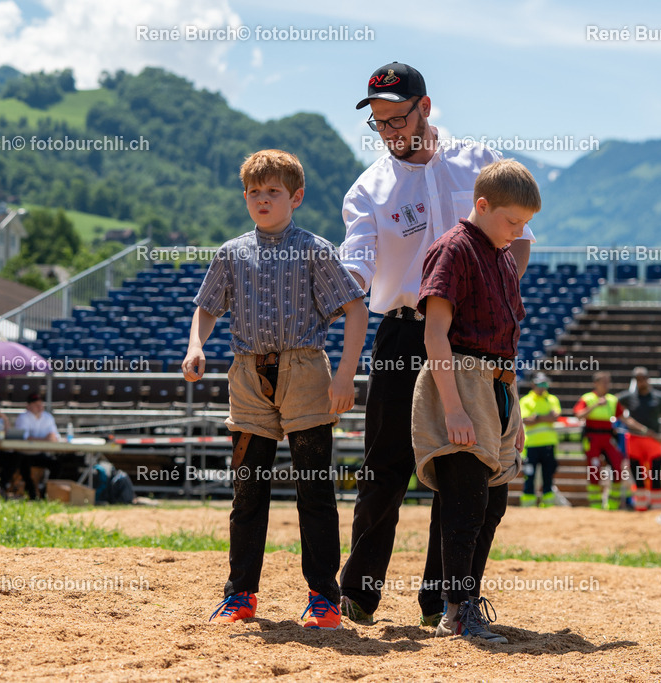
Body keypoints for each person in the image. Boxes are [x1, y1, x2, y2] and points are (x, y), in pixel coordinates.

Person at [338, 61, 537, 626]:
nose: (391, 133)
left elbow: (518, 242)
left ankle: (441, 601)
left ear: (426, 106)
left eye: (398, 119)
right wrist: (332, 293)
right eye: (379, 124)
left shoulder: (479, 163)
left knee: (461, 469)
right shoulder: (369, 188)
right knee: (385, 467)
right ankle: (359, 593)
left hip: (470, 338)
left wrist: (495, 300)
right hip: (403, 330)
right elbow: (356, 265)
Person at [183, 149, 367, 629]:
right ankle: (240, 594)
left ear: (296, 196)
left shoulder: (314, 249)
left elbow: (355, 309)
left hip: (306, 371)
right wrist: (195, 346)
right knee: (247, 490)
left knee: (314, 489)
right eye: (253, 192)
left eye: (273, 191)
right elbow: (206, 307)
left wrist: (346, 373)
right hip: (247, 374)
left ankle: (324, 598)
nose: (261, 199)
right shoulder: (231, 253)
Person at [412, 159, 539, 644]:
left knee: (491, 502)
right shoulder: (453, 249)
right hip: (461, 379)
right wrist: (454, 407)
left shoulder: (502, 253)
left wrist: (506, 401)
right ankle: (456, 609)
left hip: (498, 384)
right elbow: (435, 333)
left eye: (525, 223)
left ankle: (466, 600)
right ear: (481, 205)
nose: (519, 231)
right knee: (465, 502)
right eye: (512, 220)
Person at [617, 367, 661, 511]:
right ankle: (640, 507)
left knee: (656, 474)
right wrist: (637, 427)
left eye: (643, 379)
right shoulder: (629, 397)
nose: (641, 382)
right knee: (637, 475)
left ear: (648, 379)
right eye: (638, 379)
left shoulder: (659, 398)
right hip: (635, 440)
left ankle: (657, 508)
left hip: (653, 441)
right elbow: (619, 411)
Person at [574, 371, 627, 510]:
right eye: (603, 382)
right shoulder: (587, 398)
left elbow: (624, 418)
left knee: (618, 467)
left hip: (608, 438)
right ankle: (596, 506)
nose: (606, 385)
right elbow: (579, 415)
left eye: (608, 382)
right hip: (592, 438)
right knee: (594, 471)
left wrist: (643, 429)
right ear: (595, 383)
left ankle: (613, 504)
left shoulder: (613, 400)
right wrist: (595, 405)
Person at [5, 393, 61, 499]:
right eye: (36, 405)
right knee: (21, 464)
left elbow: (54, 436)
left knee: (56, 464)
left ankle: (45, 490)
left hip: (39, 453)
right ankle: (32, 493)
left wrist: (51, 438)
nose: (40, 407)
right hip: (24, 454)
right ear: (28, 406)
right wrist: (45, 439)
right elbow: (25, 437)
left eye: (41, 404)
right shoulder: (23, 417)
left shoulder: (47, 417)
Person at [519, 372, 561, 507]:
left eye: (545, 384)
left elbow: (555, 417)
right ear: (533, 384)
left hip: (548, 444)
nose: (543, 387)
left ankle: (548, 504)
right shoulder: (525, 400)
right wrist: (544, 417)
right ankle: (528, 506)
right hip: (531, 445)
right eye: (540, 384)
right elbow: (525, 420)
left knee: (548, 476)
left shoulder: (552, 399)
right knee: (529, 476)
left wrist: (536, 417)